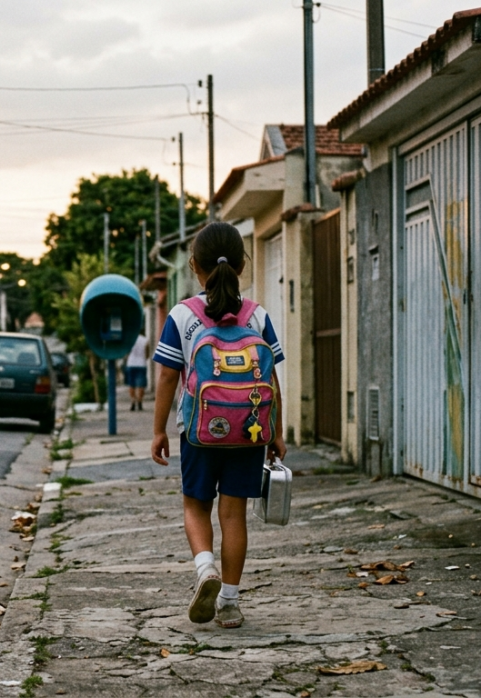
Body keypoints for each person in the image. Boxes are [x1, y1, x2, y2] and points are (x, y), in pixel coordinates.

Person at [150, 222, 286, 631]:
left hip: (199, 431)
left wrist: (158, 430)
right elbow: (272, 380)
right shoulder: (256, 315)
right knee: (234, 515)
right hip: (248, 432)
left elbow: (167, 378)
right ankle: (229, 602)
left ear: (194, 266)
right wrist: (276, 432)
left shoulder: (182, 315)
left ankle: (205, 567)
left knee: (195, 505)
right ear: (242, 264)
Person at [125, 331, 149, 411]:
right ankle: (140, 401)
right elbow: (147, 353)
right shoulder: (145, 340)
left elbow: (126, 352)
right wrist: (144, 358)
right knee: (141, 385)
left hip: (131, 363)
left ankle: (133, 400)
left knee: (132, 384)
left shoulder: (130, 339)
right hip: (141, 363)